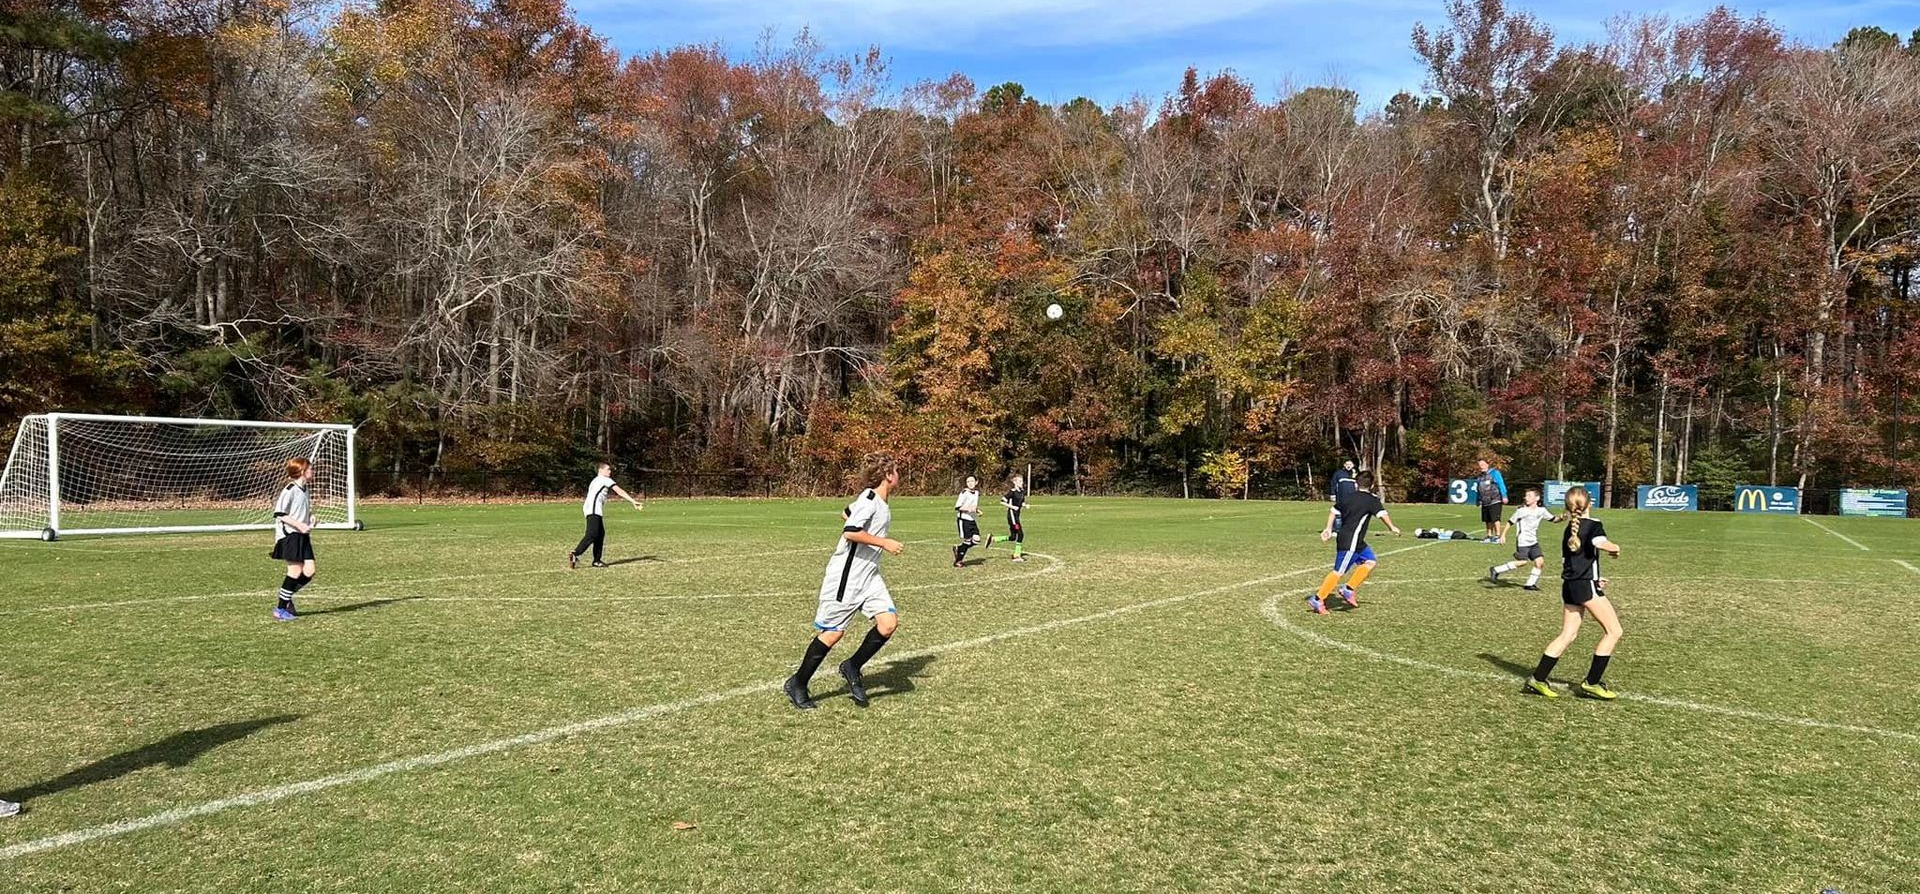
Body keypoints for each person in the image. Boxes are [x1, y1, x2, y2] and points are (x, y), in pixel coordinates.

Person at [785, 452, 905, 710]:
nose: (899, 475)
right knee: (833, 633)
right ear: (887, 475)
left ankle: (852, 666)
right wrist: (884, 542)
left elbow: (846, 513)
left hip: (869, 576)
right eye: (896, 471)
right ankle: (798, 682)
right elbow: (850, 531)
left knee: (888, 624)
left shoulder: (877, 501)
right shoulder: (871, 499)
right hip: (847, 578)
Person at [1524, 486, 1625, 700]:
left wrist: (1595, 578)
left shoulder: (1569, 529)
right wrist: (1614, 547)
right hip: (1584, 585)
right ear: (1589, 503)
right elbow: (1599, 543)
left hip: (1570, 585)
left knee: (1568, 634)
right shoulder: (1593, 525)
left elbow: (1572, 561)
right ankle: (1592, 683)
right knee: (1614, 631)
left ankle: (1537, 679)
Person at [1311, 470, 1403, 614]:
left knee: (1370, 561)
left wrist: (1328, 528)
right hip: (1351, 541)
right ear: (1372, 486)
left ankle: (1348, 589)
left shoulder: (1348, 497)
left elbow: (1333, 510)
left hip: (1355, 540)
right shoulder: (1372, 499)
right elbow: (1382, 514)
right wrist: (1392, 527)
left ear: (1356, 484)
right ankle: (1318, 599)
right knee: (1338, 571)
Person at [269, 458, 319, 621]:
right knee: (295, 571)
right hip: (290, 535)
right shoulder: (289, 490)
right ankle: (280, 608)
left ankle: (286, 595)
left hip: (302, 535)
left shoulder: (305, 489)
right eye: (310, 469)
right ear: (303, 471)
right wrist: (299, 525)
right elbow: (280, 514)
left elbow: (302, 510)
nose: (313, 471)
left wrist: (311, 517)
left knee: (310, 571)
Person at [568, 462, 642, 569]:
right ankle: (575, 553)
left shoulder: (595, 480)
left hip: (590, 508)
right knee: (592, 534)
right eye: (608, 469)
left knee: (600, 534)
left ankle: (596, 560)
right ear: (600, 470)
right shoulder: (604, 479)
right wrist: (633, 501)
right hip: (594, 509)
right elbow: (618, 490)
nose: (610, 471)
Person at [1489, 488, 1559, 590]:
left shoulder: (1542, 511)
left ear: (1537, 498)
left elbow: (1554, 519)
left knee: (1540, 562)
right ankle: (1496, 569)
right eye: (1526, 496)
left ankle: (1530, 584)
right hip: (1523, 541)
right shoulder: (1521, 510)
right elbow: (1510, 522)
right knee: (1522, 562)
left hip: (1533, 541)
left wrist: (1562, 517)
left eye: (1529, 495)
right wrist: (1503, 535)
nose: (1526, 498)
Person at [952, 475, 993, 567]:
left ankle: (959, 548)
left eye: (972, 481)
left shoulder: (976, 493)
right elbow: (958, 507)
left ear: (976, 482)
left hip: (972, 520)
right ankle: (958, 561)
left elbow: (974, 505)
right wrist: (968, 509)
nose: (970, 483)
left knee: (976, 540)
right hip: (963, 520)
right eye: (968, 482)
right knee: (967, 541)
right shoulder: (964, 493)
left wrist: (977, 511)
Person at [1474, 459, 1508, 542]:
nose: (1481, 466)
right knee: (1487, 519)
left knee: (1495, 518)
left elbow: (1501, 484)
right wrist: (1478, 499)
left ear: (1487, 464)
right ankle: (1489, 535)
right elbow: (1479, 489)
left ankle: (1497, 535)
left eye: (1483, 464)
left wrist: (1504, 496)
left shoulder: (1495, 473)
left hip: (1495, 499)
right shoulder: (1480, 477)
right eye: (1480, 464)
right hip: (1485, 501)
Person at [1002, 474, 1029, 563]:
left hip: (1017, 515)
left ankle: (994, 539)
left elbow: (1021, 502)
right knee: (1020, 534)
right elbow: (1002, 501)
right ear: (1015, 482)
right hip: (1012, 516)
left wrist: (1025, 505)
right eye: (1020, 481)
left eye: (1022, 481)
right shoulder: (1012, 492)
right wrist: (1012, 507)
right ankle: (1016, 555)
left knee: (1013, 537)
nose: (1022, 483)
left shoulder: (1021, 492)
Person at [1328, 460, 1358, 533]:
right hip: (1341, 497)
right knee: (1338, 513)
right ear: (1344, 465)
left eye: (1350, 464)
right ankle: (1336, 530)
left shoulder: (1355, 475)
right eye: (1347, 464)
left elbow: (1358, 486)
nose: (1348, 466)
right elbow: (1333, 484)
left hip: (1352, 498)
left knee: (1351, 513)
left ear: (1353, 465)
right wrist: (1332, 494)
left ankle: (1348, 529)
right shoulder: (1338, 474)